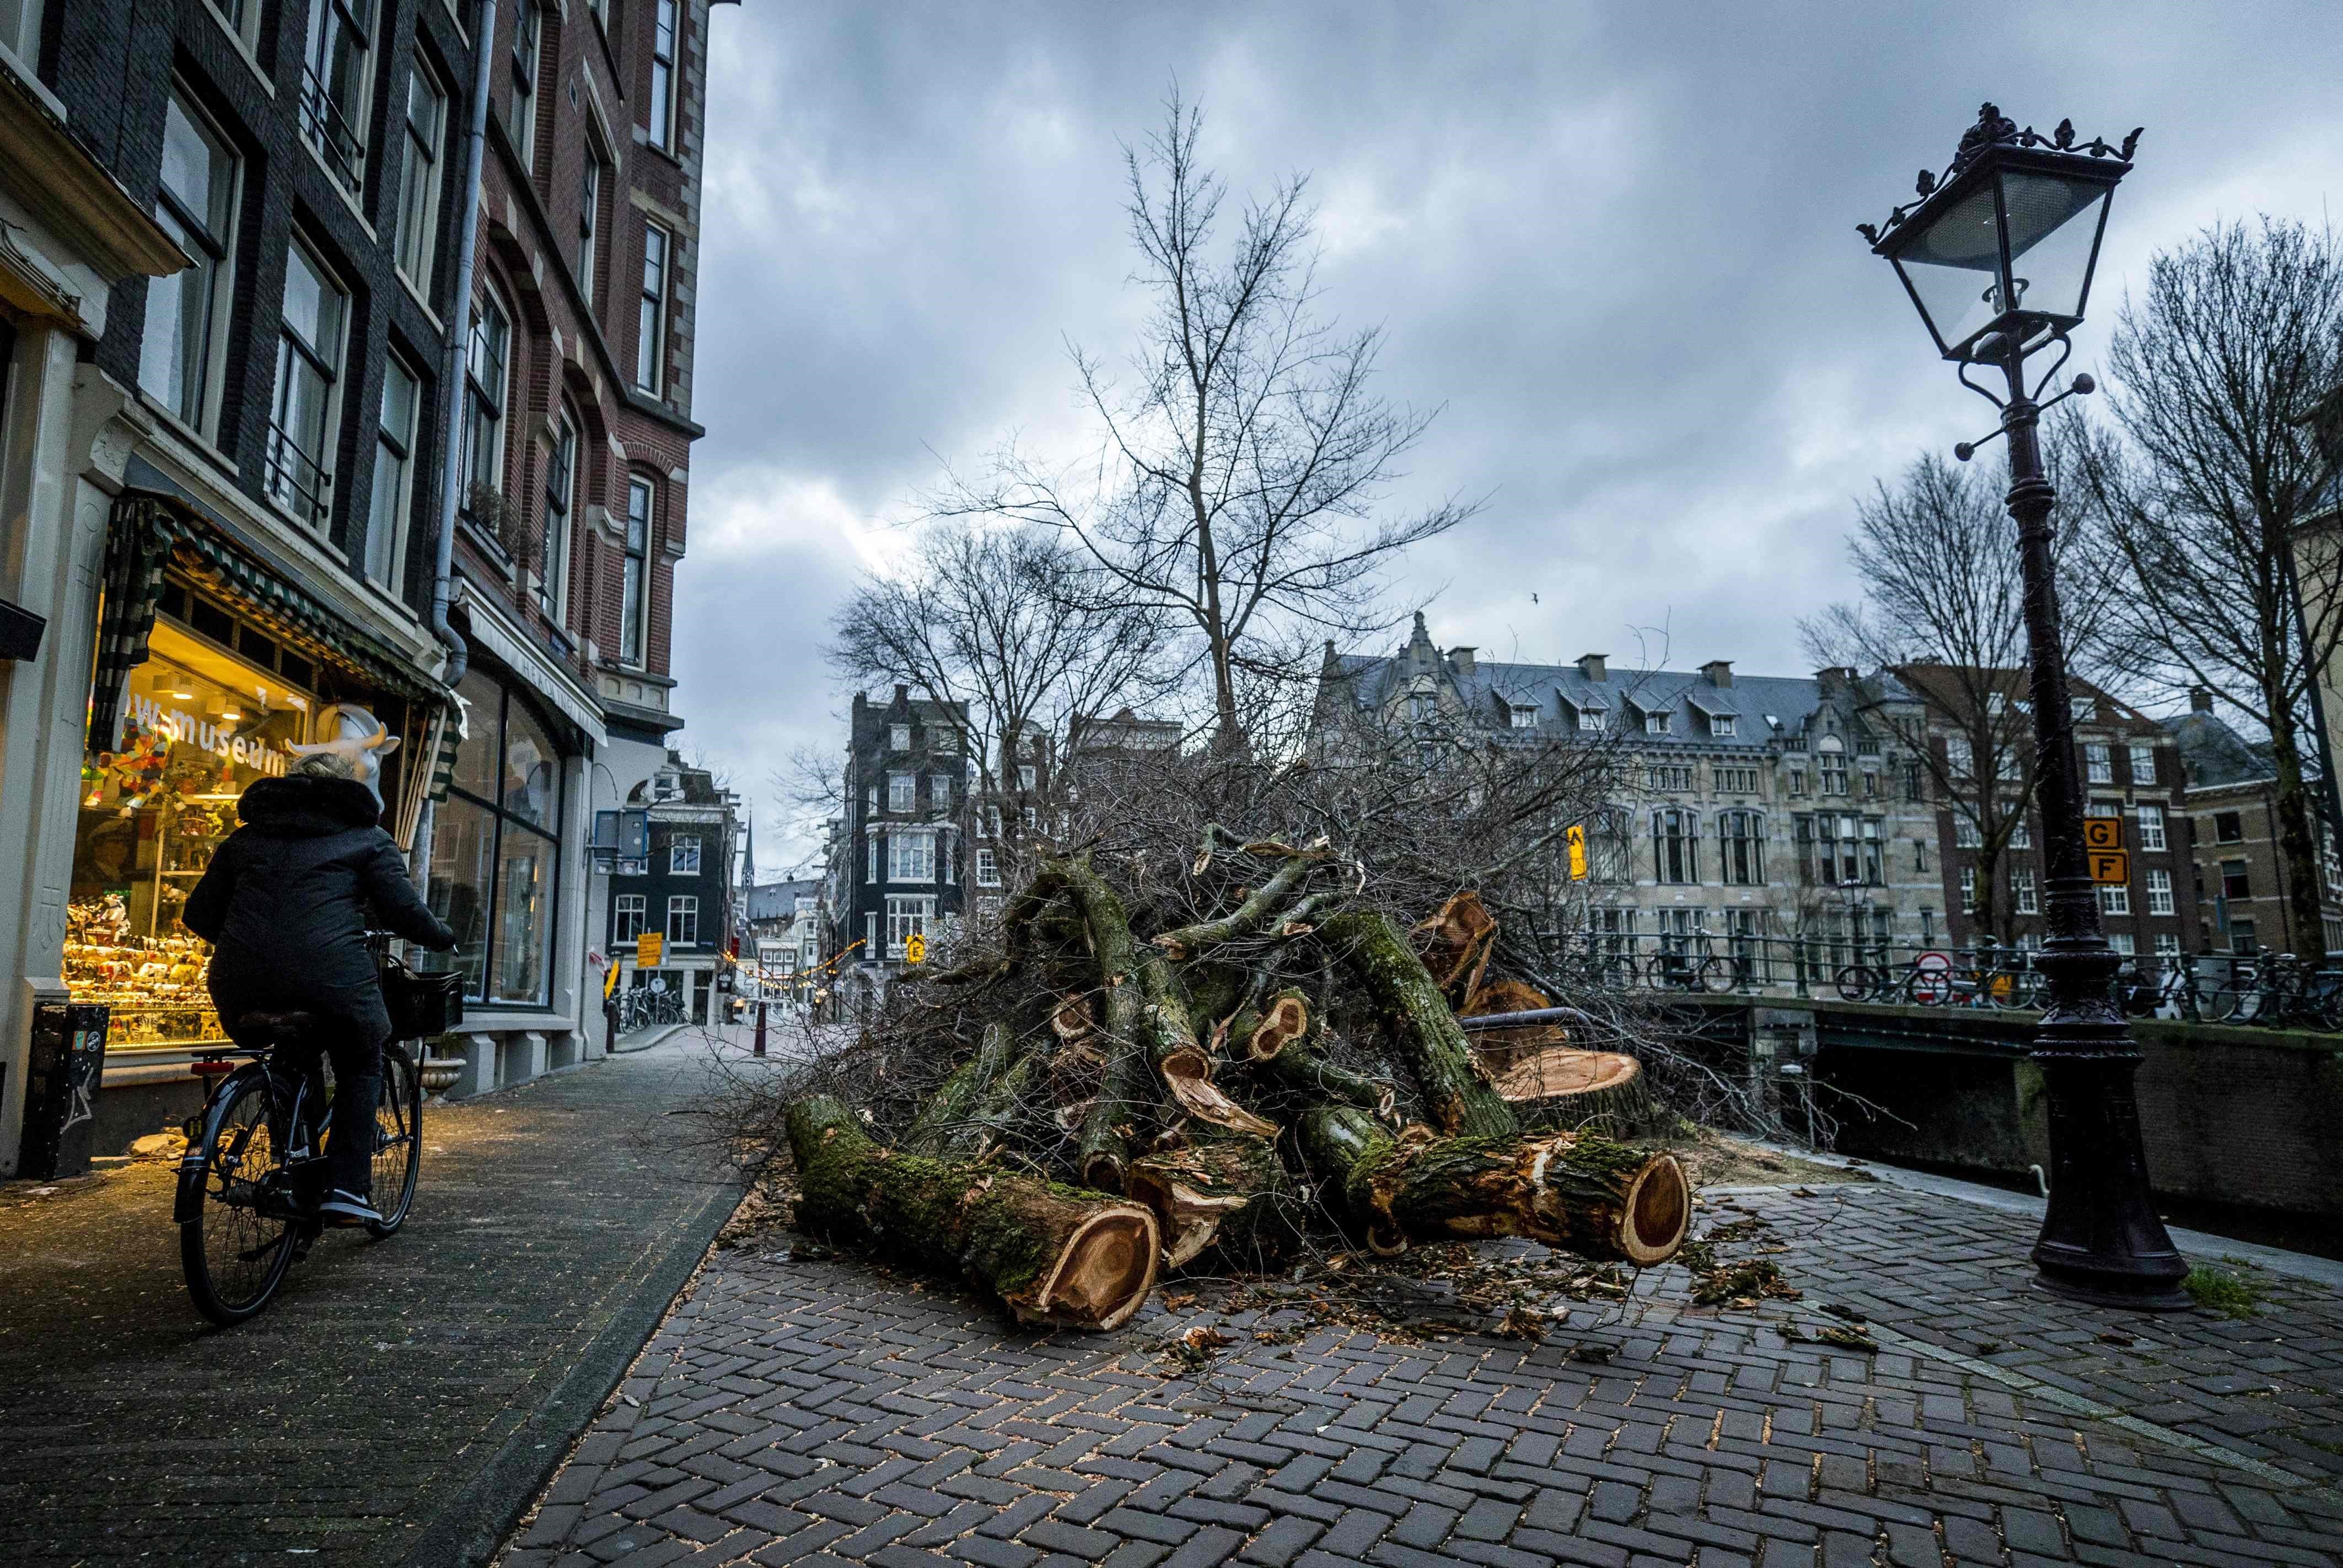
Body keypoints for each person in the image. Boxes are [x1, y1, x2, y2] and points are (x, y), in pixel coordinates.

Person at [183, 751, 457, 1227]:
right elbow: (401, 910)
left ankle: (290, 1162)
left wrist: (250, 945)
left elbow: (199, 914)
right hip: (330, 975)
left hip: (238, 981)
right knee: (362, 1053)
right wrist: (443, 936)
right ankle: (347, 1187)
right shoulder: (367, 839)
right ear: (348, 791)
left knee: (293, 1054)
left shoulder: (244, 840)